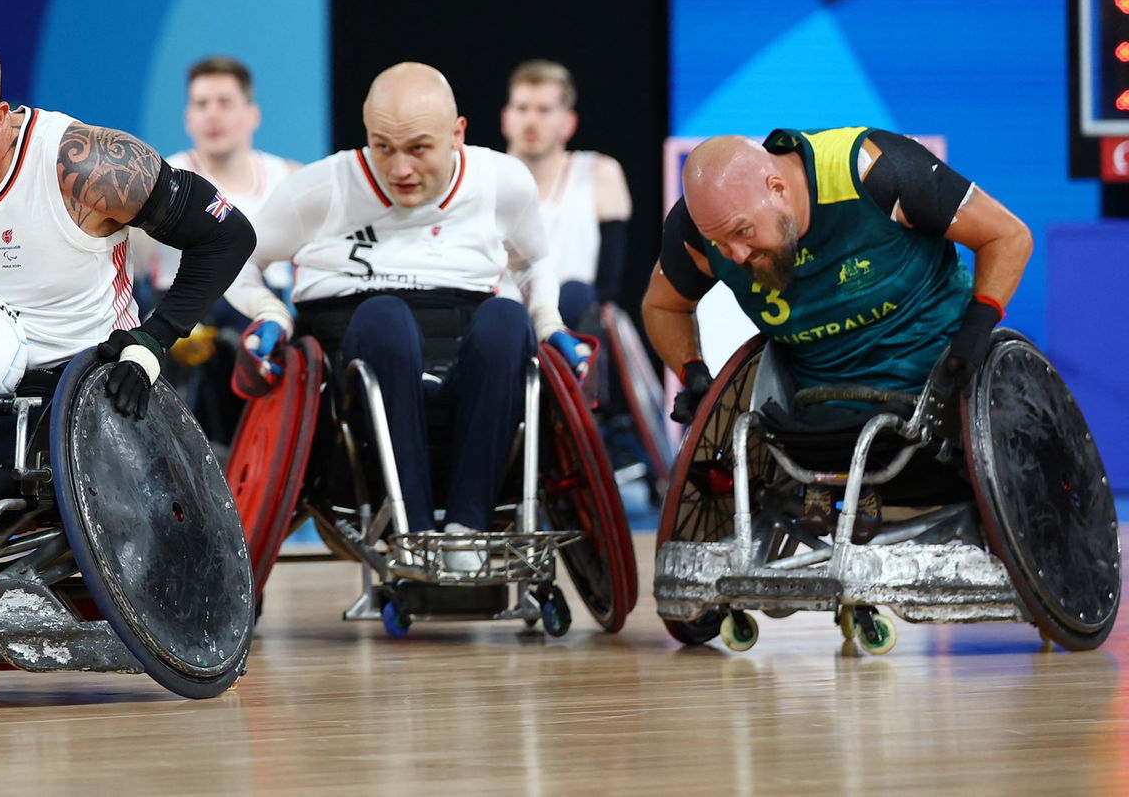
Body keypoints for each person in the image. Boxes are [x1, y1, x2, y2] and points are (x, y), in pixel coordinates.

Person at [0, 30, 254, 499]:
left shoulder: (86, 166)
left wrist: (154, 341)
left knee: (16, 479)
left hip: (69, 384)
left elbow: (227, 235)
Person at [226, 62, 591, 569]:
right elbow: (237, 259)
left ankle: (466, 529)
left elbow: (534, 260)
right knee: (385, 318)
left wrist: (549, 323)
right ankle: (413, 532)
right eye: (383, 147)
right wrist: (271, 314)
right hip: (356, 378)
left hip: (465, 370)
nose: (400, 169)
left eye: (419, 148)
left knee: (509, 319)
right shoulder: (320, 188)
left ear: (457, 134)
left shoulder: (501, 182)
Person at [641, 127, 1031, 533]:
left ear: (777, 188)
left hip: (939, 391)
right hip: (818, 415)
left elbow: (1007, 236)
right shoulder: (701, 228)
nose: (735, 254)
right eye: (719, 243)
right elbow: (663, 305)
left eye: (742, 232)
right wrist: (695, 376)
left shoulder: (875, 172)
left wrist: (972, 338)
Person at [135, 56, 299, 445]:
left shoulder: (291, 179)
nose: (213, 115)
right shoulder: (159, 182)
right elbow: (129, 269)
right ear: (187, 118)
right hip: (183, 323)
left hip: (261, 317)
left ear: (252, 114)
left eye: (225, 102)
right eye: (201, 104)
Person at [501, 60, 632, 330]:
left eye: (544, 110)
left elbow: (608, 288)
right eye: (522, 108)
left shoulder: (600, 173)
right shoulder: (484, 176)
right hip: (506, 327)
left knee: (577, 294)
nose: (530, 121)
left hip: (575, 324)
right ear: (506, 118)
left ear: (569, 122)